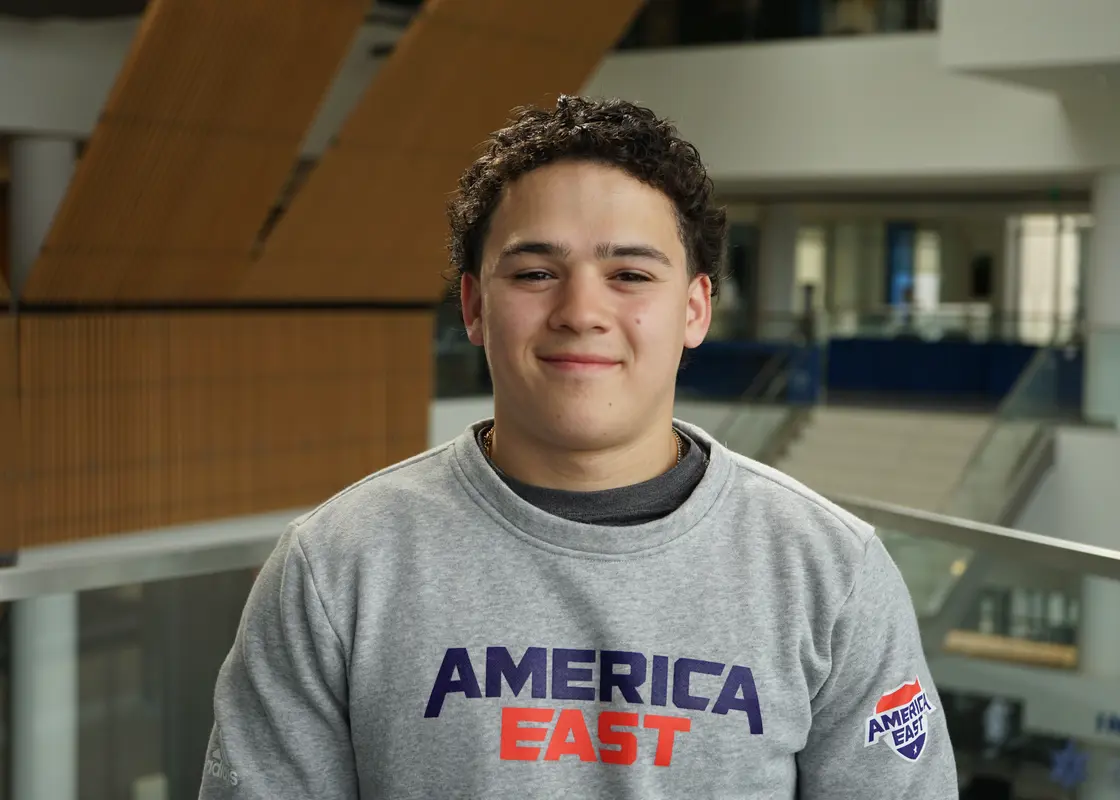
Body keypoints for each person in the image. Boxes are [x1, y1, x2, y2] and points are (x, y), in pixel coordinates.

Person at [199, 95, 958, 798]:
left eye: (629, 273)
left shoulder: (830, 572)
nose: (581, 311)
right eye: (536, 272)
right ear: (474, 306)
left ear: (695, 310)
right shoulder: (337, 565)